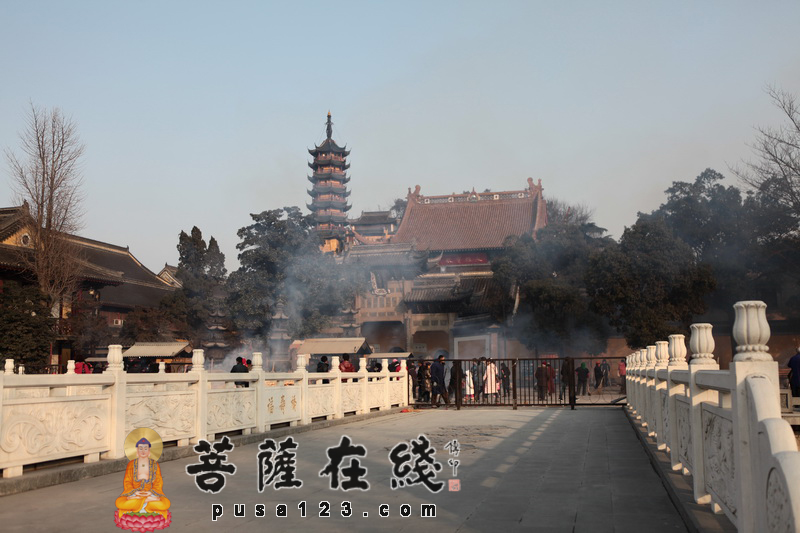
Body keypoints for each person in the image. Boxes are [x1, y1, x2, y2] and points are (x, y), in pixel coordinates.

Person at [115, 438, 170, 518]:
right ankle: (146, 502)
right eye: (140, 449)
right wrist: (135, 493)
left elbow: (158, 482)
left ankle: (141, 502)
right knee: (119, 502)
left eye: (145, 448)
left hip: (150, 494)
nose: (143, 451)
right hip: (135, 493)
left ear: (149, 451)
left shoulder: (155, 464)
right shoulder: (131, 464)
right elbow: (127, 482)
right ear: (137, 451)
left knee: (165, 504)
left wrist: (150, 493)